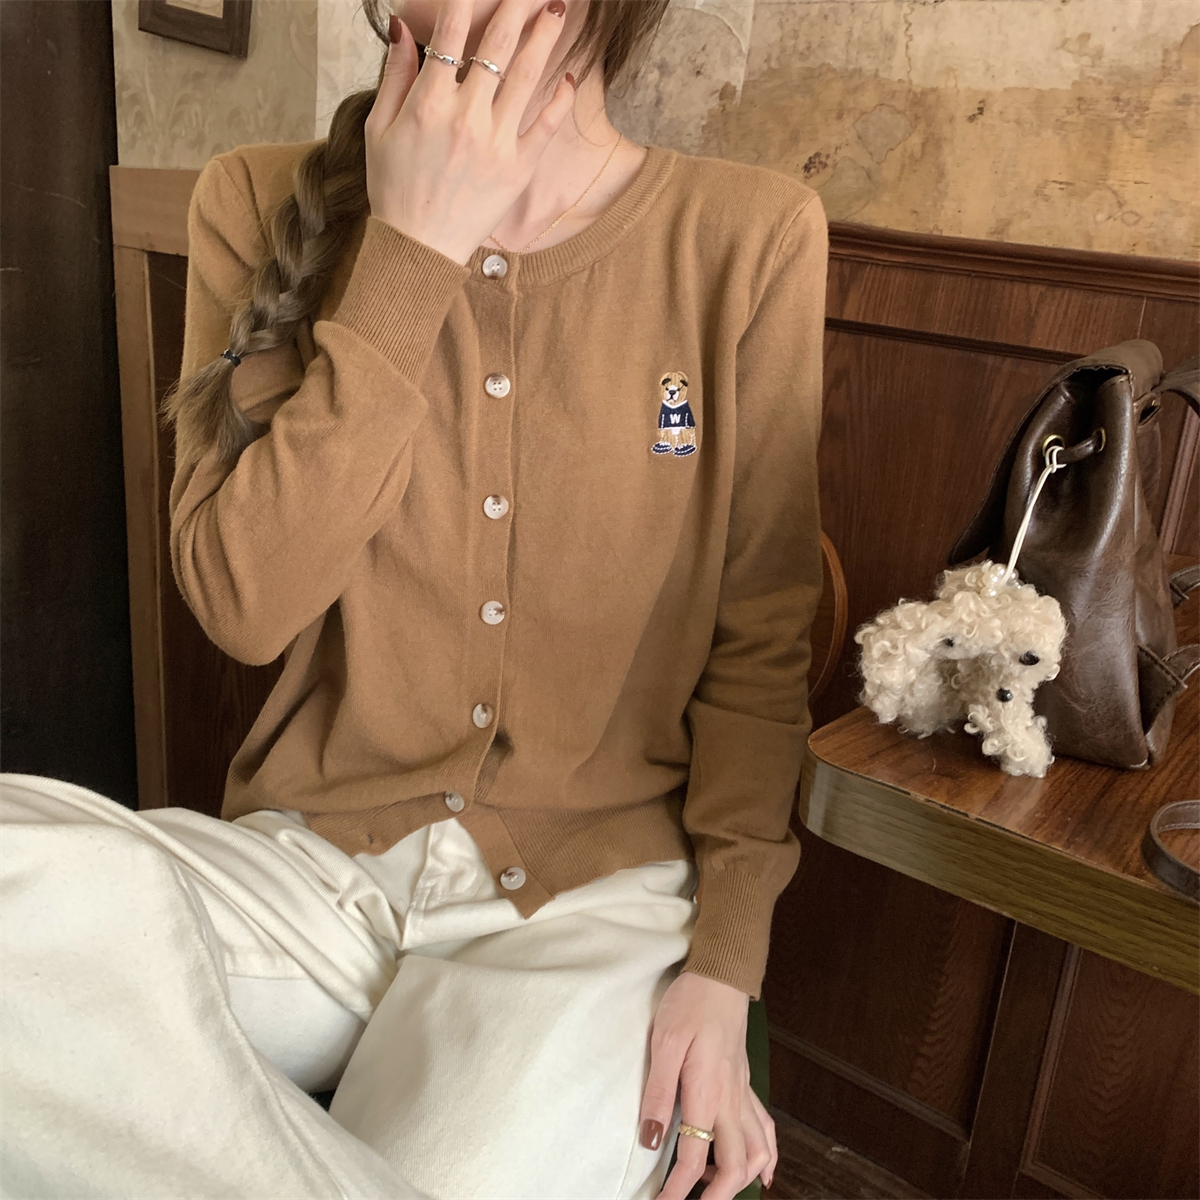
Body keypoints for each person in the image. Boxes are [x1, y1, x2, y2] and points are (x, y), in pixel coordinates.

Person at [0, 1, 827, 1197]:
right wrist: (413, 252)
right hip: (310, 875)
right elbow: (242, 605)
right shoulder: (255, 199)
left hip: (587, 907)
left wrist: (725, 966)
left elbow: (759, 647)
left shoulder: (747, 235)